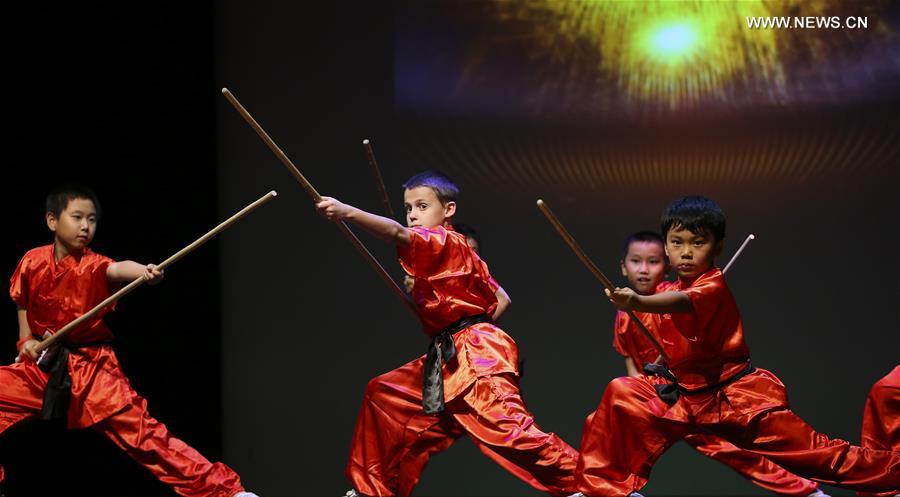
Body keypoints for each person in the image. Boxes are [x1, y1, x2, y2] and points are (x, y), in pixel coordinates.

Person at [574, 196, 900, 497]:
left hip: (734, 398)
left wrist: (639, 301)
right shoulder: (661, 295)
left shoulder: (709, 285)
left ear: (718, 247)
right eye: (677, 243)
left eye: (698, 243)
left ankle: (890, 475)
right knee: (621, 393)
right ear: (667, 249)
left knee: (818, 455)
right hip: (686, 399)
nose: (686, 252)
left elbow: (683, 302)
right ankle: (602, 489)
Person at [316, 171, 578, 497]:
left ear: (448, 209)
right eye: (409, 207)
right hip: (449, 352)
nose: (412, 213)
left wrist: (346, 211)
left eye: (422, 205)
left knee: (509, 430)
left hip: (476, 350)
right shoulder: (436, 257)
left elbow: (397, 232)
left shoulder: (446, 239)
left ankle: (597, 484)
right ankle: (372, 490)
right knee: (385, 393)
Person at [1, 185, 257, 497]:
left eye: (92, 220)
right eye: (77, 217)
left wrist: (144, 271)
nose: (85, 226)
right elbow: (22, 301)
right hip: (43, 365)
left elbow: (118, 269)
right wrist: (24, 340)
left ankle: (226, 492)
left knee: (145, 437)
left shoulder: (94, 264)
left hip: (92, 369)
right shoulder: (33, 261)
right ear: (52, 221)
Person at [610, 230, 824, 497]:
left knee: (734, 449)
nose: (643, 270)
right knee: (617, 427)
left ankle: (807, 491)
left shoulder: (673, 297)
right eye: (636, 261)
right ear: (623, 266)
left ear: (666, 266)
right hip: (661, 397)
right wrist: (640, 392)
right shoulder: (623, 315)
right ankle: (614, 489)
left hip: (696, 393)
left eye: (652, 262)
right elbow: (631, 362)